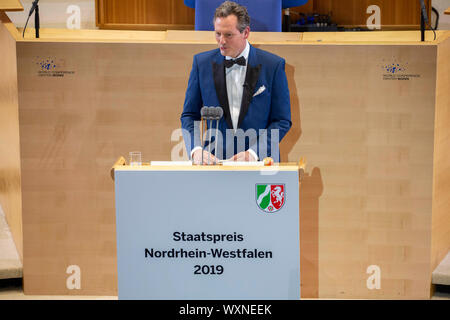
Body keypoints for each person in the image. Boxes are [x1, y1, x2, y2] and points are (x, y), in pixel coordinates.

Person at [181, 1, 291, 164]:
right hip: (214, 162)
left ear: (245, 32)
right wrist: (196, 150)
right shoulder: (201, 63)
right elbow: (189, 115)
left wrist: (253, 153)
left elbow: (282, 120)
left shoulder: (273, 65)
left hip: (260, 162)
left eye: (228, 35)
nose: (221, 41)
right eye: (218, 33)